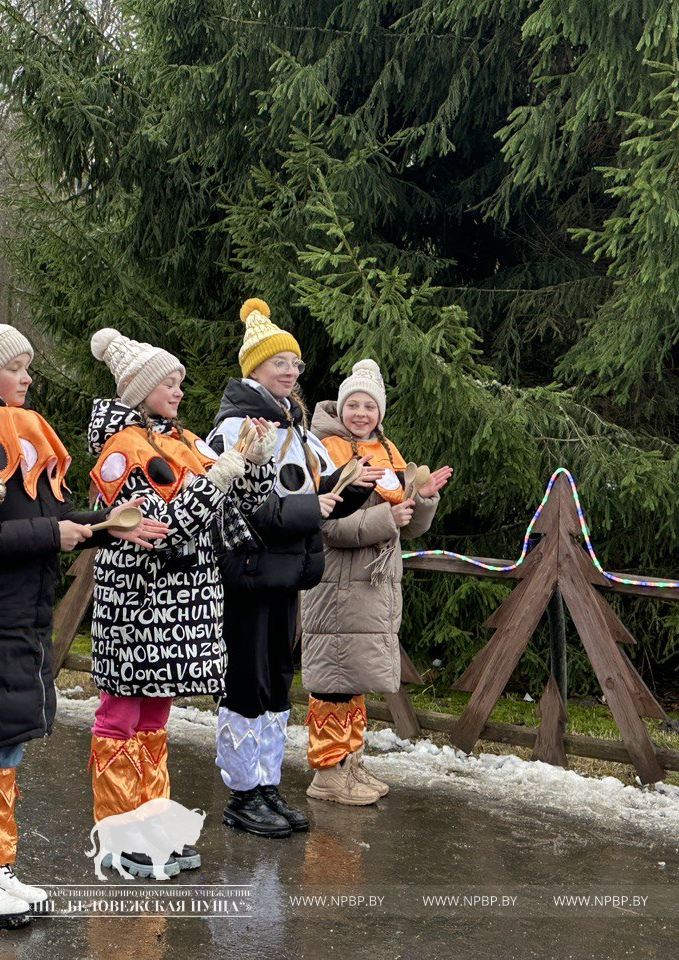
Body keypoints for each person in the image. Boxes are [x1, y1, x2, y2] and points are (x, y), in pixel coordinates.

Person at [0, 299, 169, 928]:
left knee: (4, 751)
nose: (28, 378)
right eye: (17, 367)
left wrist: (112, 527)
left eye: (28, 366)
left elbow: (45, 521)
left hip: (14, 619)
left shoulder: (15, 433)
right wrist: (52, 538)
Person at [86, 327, 274, 877]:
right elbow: (163, 526)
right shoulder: (122, 449)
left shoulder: (185, 439)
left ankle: (152, 826)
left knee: (155, 715)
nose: (179, 391)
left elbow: (233, 508)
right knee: (122, 713)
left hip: (183, 602)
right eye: (169, 382)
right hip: (138, 599)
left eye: (180, 383)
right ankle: (119, 835)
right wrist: (221, 474)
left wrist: (253, 464)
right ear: (140, 389)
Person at [206, 298, 380, 839]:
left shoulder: (296, 427)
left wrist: (351, 491)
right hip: (249, 572)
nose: (291, 372)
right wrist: (315, 506)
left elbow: (316, 492)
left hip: (285, 574)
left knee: (278, 685)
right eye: (280, 363)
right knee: (247, 683)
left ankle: (266, 785)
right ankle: (241, 795)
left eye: (296, 365)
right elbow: (234, 506)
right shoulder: (237, 428)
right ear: (253, 368)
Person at [302, 359, 452, 803]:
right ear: (341, 408)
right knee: (333, 677)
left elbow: (411, 526)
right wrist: (389, 517)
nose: (361, 413)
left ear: (380, 413)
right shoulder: (325, 451)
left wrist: (422, 500)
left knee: (356, 676)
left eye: (370, 405)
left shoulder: (389, 453)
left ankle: (351, 762)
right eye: (353, 404)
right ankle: (327, 773)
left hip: (373, 586)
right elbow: (326, 527)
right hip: (336, 584)